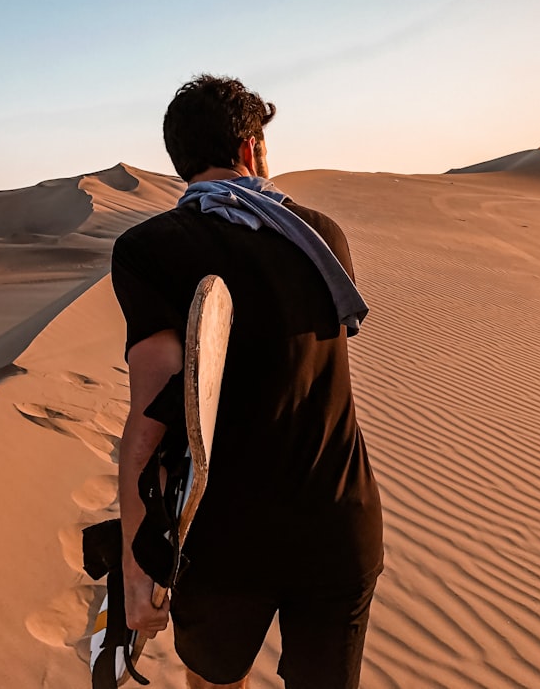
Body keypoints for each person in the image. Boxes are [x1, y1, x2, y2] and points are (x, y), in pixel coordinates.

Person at [110, 74, 384, 689]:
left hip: (225, 542)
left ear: (180, 161)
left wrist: (136, 569)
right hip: (339, 526)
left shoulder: (148, 250)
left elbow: (150, 421)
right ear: (253, 150)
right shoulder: (320, 237)